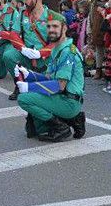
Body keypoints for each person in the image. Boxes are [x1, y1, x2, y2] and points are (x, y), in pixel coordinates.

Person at [14, 9, 86, 142]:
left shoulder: (67, 52)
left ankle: (61, 127)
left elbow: (59, 85)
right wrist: (29, 74)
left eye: (55, 26)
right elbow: (49, 78)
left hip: (68, 101)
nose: (51, 30)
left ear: (64, 28)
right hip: (62, 98)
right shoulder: (57, 49)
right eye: (48, 26)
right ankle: (73, 120)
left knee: (24, 99)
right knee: (34, 130)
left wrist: (30, 87)